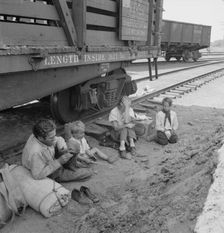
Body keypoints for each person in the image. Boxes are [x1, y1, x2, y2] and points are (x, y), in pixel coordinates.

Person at [22, 119, 92, 182]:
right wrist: (59, 161)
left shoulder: (37, 135)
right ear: (40, 138)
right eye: (51, 138)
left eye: (54, 135)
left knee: (74, 145)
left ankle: (71, 165)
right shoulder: (36, 152)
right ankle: (62, 173)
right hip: (50, 172)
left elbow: (57, 139)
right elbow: (37, 175)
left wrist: (62, 147)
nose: (54, 139)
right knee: (88, 172)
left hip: (51, 159)